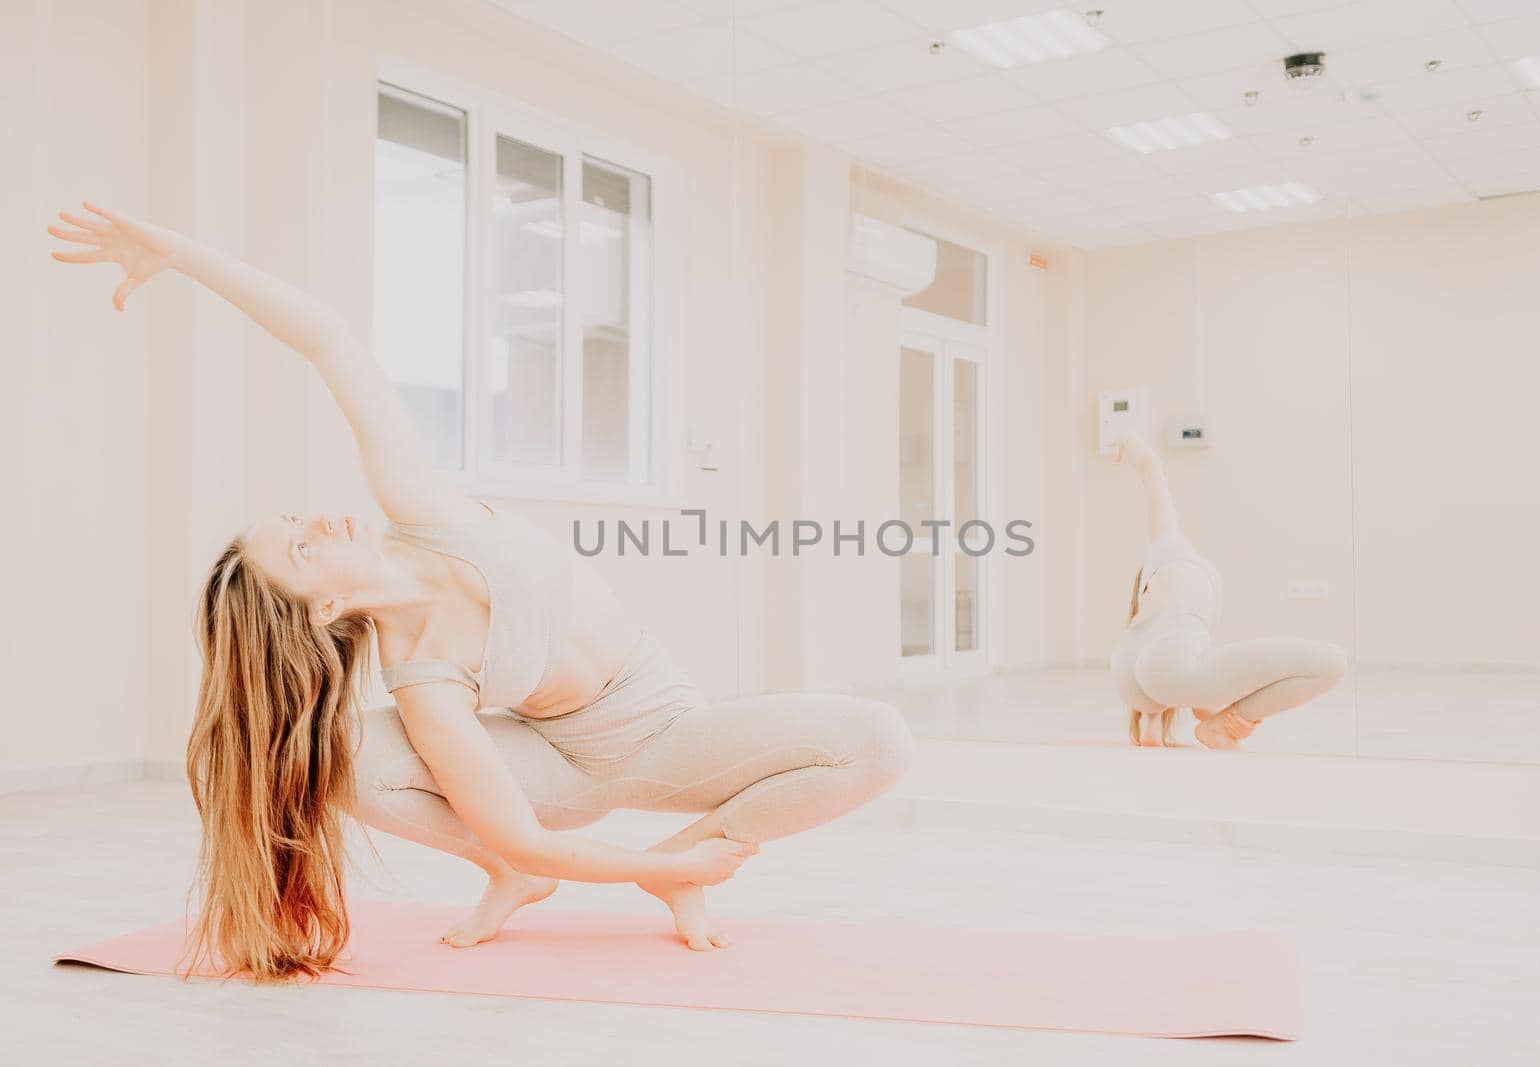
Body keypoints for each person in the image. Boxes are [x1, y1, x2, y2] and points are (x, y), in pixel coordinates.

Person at [49, 202, 914, 982]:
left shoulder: (421, 511)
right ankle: (526, 887)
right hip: (558, 771)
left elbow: (328, 341)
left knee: (876, 740)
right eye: (303, 548)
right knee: (335, 753)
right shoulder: (421, 676)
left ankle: (679, 861)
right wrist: (526, 858)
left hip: (672, 731)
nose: (319, 521)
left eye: (295, 519)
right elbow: (527, 830)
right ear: (320, 610)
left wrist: (181, 255)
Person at [1107, 428, 1346, 750]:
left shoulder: (1151, 600)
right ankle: (1219, 730)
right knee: (1330, 663)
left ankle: (1161, 728)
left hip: (1128, 674)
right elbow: (1151, 468)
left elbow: (1191, 690)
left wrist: (1222, 715)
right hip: (1163, 669)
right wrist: (1126, 437)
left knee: (1179, 692)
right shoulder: (1170, 546)